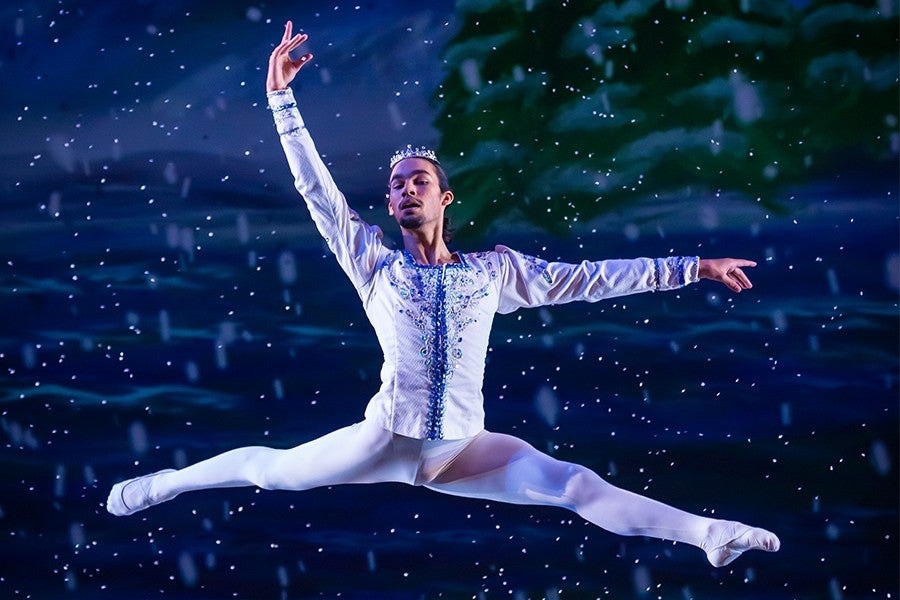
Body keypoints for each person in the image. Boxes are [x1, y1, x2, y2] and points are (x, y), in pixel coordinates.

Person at [107, 21, 780, 569]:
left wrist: (693, 266)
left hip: (461, 448)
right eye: (395, 183)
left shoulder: (494, 272)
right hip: (385, 440)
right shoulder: (373, 264)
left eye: (418, 179)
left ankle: (705, 535)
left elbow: (591, 279)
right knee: (272, 470)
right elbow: (318, 194)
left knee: (575, 486)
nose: (404, 188)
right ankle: (158, 486)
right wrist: (282, 102)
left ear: (444, 195)